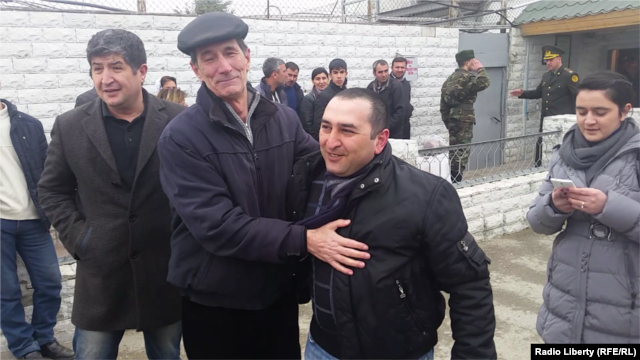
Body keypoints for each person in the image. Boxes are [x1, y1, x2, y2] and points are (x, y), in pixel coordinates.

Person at [160, 12, 368, 360]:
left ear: (247, 57)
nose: (223, 66)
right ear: (196, 71)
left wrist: (380, 166)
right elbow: (218, 226)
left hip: (276, 291)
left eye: (230, 53)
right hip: (216, 299)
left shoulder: (283, 119)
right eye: (208, 59)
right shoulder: (181, 138)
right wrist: (305, 240)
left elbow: (322, 162)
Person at [289, 88, 496, 360]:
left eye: (347, 131)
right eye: (326, 127)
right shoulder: (306, 180)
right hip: (323, 348)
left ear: (380, 140)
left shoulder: (426, 196)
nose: (331, 141)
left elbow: (469, 285)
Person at [37, 29, 185, 360]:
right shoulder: (71, 125)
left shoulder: (178, 121)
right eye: (97, 68)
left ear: (141, 71)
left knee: (166, 353)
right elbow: (51, 189)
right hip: (101, 275)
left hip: (163, 272)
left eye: (116, 66)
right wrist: (81, 238)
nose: (106, 78)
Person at [527, 71, 640, 343]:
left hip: (625, 308)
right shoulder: (564, 153)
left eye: (600, 112)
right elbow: (536, 222)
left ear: (624, 111)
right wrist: (554, 205)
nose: (588, 121)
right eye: (581, 111)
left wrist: (608, 206)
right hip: (564, 303)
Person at [0, 97, 73, 360]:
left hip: (33, 220)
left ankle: (44, 338)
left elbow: (47, 172)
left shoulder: (28, 125)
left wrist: (53, 210)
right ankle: (23, 346)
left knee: (50, 282)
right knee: (6, 290)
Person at [510, 45, 579, 167]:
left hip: (561, 120)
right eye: (547, 60)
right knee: (542, 144)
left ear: (559, 59)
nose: (548, 63)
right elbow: (539, 93)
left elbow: (578, 97)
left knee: (561, 146)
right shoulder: (546, 76)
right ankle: (539, 166)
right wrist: (522, 93)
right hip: (546, 118)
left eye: (551, 60)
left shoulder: (569, 75)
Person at [440, 49, 490, 183]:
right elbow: (484, 82)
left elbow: (443, 106)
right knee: (462, 151)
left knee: (453, 150)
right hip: (465, 119)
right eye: (472, 61)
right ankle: (457, 180)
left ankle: (451, 178)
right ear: (468, 62)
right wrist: (480, 68)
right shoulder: (468, 77)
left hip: (452, 120)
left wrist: (448, 121)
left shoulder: (449, 80)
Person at [366, 59, 406, 139]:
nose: (384, 74)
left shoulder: (396, 87)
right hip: (376, 132)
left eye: (386, 71)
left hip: (394, 133)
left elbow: (400, 112)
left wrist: (386, 127)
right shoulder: (371, 87)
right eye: (380, 72)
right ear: (374, 73)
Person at [311, 59, 348, 140]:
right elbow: (318, 126)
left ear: (346, 73)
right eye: (335, 72)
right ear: (330, 75)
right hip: (331, 139)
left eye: (341, 72)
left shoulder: (347, 93)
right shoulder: (324, 96)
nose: (339, 76)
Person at [299, 67, 328, 137]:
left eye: (324, 78)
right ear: (313, 81)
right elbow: (307, 125)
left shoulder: (332, 96)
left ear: (328, 79)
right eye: (318, 79)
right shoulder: (308, 99)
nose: (321, 82)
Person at [391, 56, 414, 139]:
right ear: (392, 68)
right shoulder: (388, 84)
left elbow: (406, 102)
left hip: (405, 126)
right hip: (392, 128)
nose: (400, 70)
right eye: (397, 67)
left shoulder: (406, 84)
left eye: (402, 67)